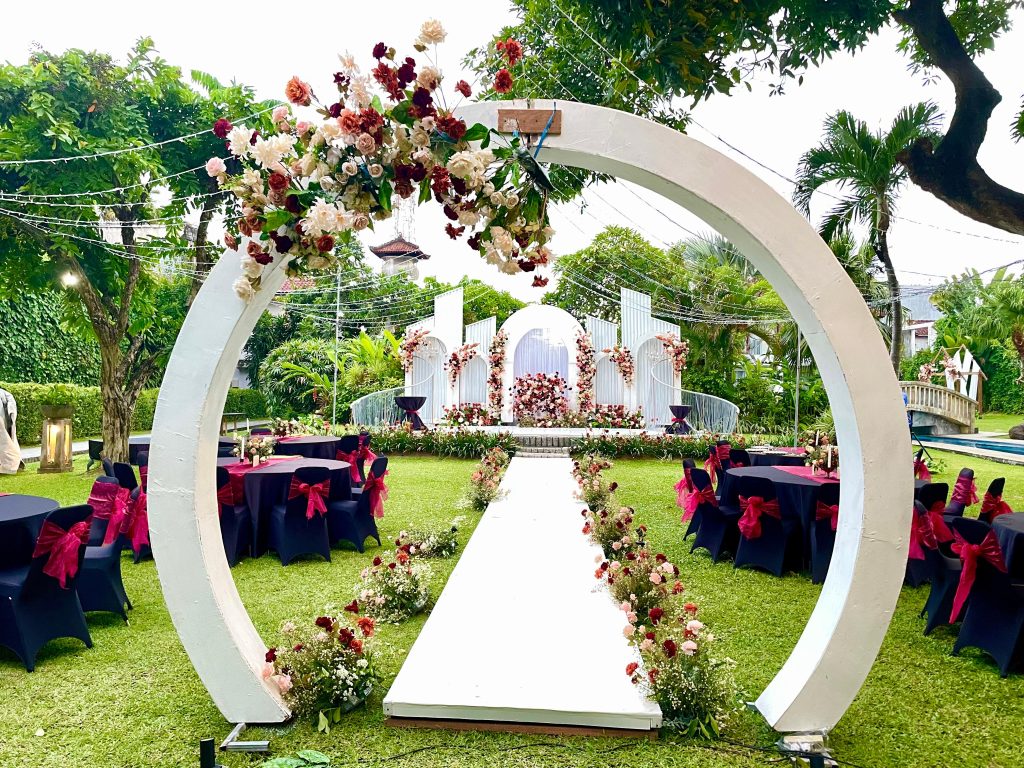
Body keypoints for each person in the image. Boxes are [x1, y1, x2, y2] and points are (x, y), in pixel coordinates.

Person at [0, 387, 23, 474]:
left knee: (5, 438)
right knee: (8, 437)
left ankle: (10, 463)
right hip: (6, 407)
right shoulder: (5, 394)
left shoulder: (5, 394)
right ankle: (13, 462)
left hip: (5, 408)